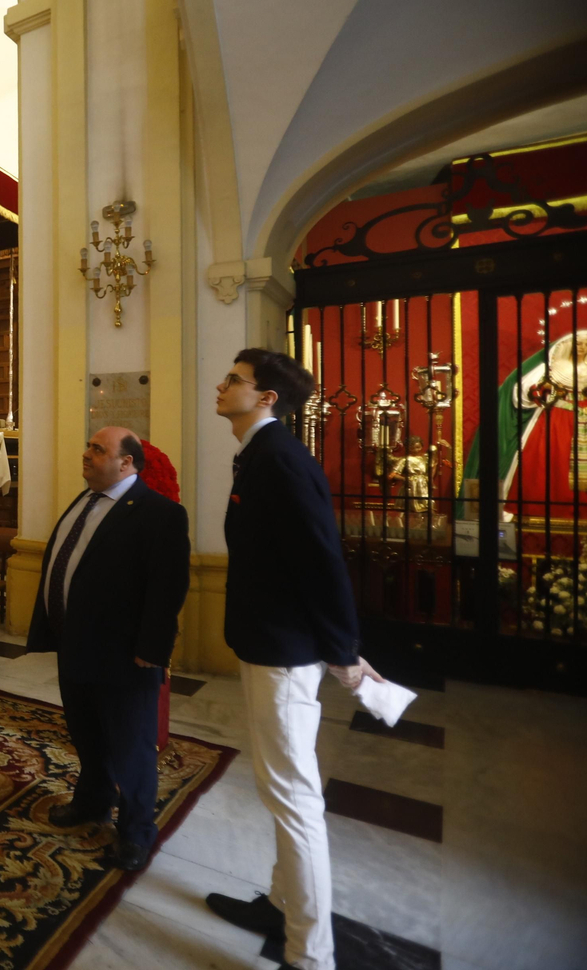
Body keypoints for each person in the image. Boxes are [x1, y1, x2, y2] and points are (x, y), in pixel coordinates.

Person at [205, 348, 382, 970]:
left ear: (266, 398)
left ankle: (311, 955)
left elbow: (321, 560)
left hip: (284, 653)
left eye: (235, 380)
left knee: (294, 798)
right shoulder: (260, 453)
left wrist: (345, 652)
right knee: (282, 789)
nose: (221, 385)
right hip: (269, 641)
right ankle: (279, 905)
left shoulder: (280, 459)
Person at [26, 425, 190, 870]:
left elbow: (168, 588)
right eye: (88, 446)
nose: (86, 454)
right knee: (87, 734)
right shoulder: (85, 500)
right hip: (75, 644)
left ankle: (137, 832)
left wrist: (153, 648)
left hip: (124, 655)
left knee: (131, 747)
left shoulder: (161, 514)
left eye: (98, 449)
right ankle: (92, 801)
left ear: (127, 463)